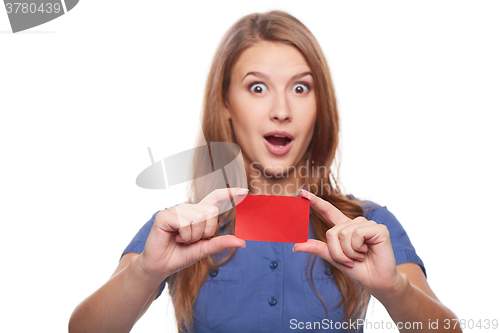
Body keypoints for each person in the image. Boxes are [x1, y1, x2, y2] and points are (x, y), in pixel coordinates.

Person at [69, 10, 461, 333]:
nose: (281, 110)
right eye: (257, 88)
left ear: (320, 104)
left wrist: (392, 289)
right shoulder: (178, 229)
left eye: (301, 88)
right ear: (225, 102)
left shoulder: (369, 226)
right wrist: (145, 272)